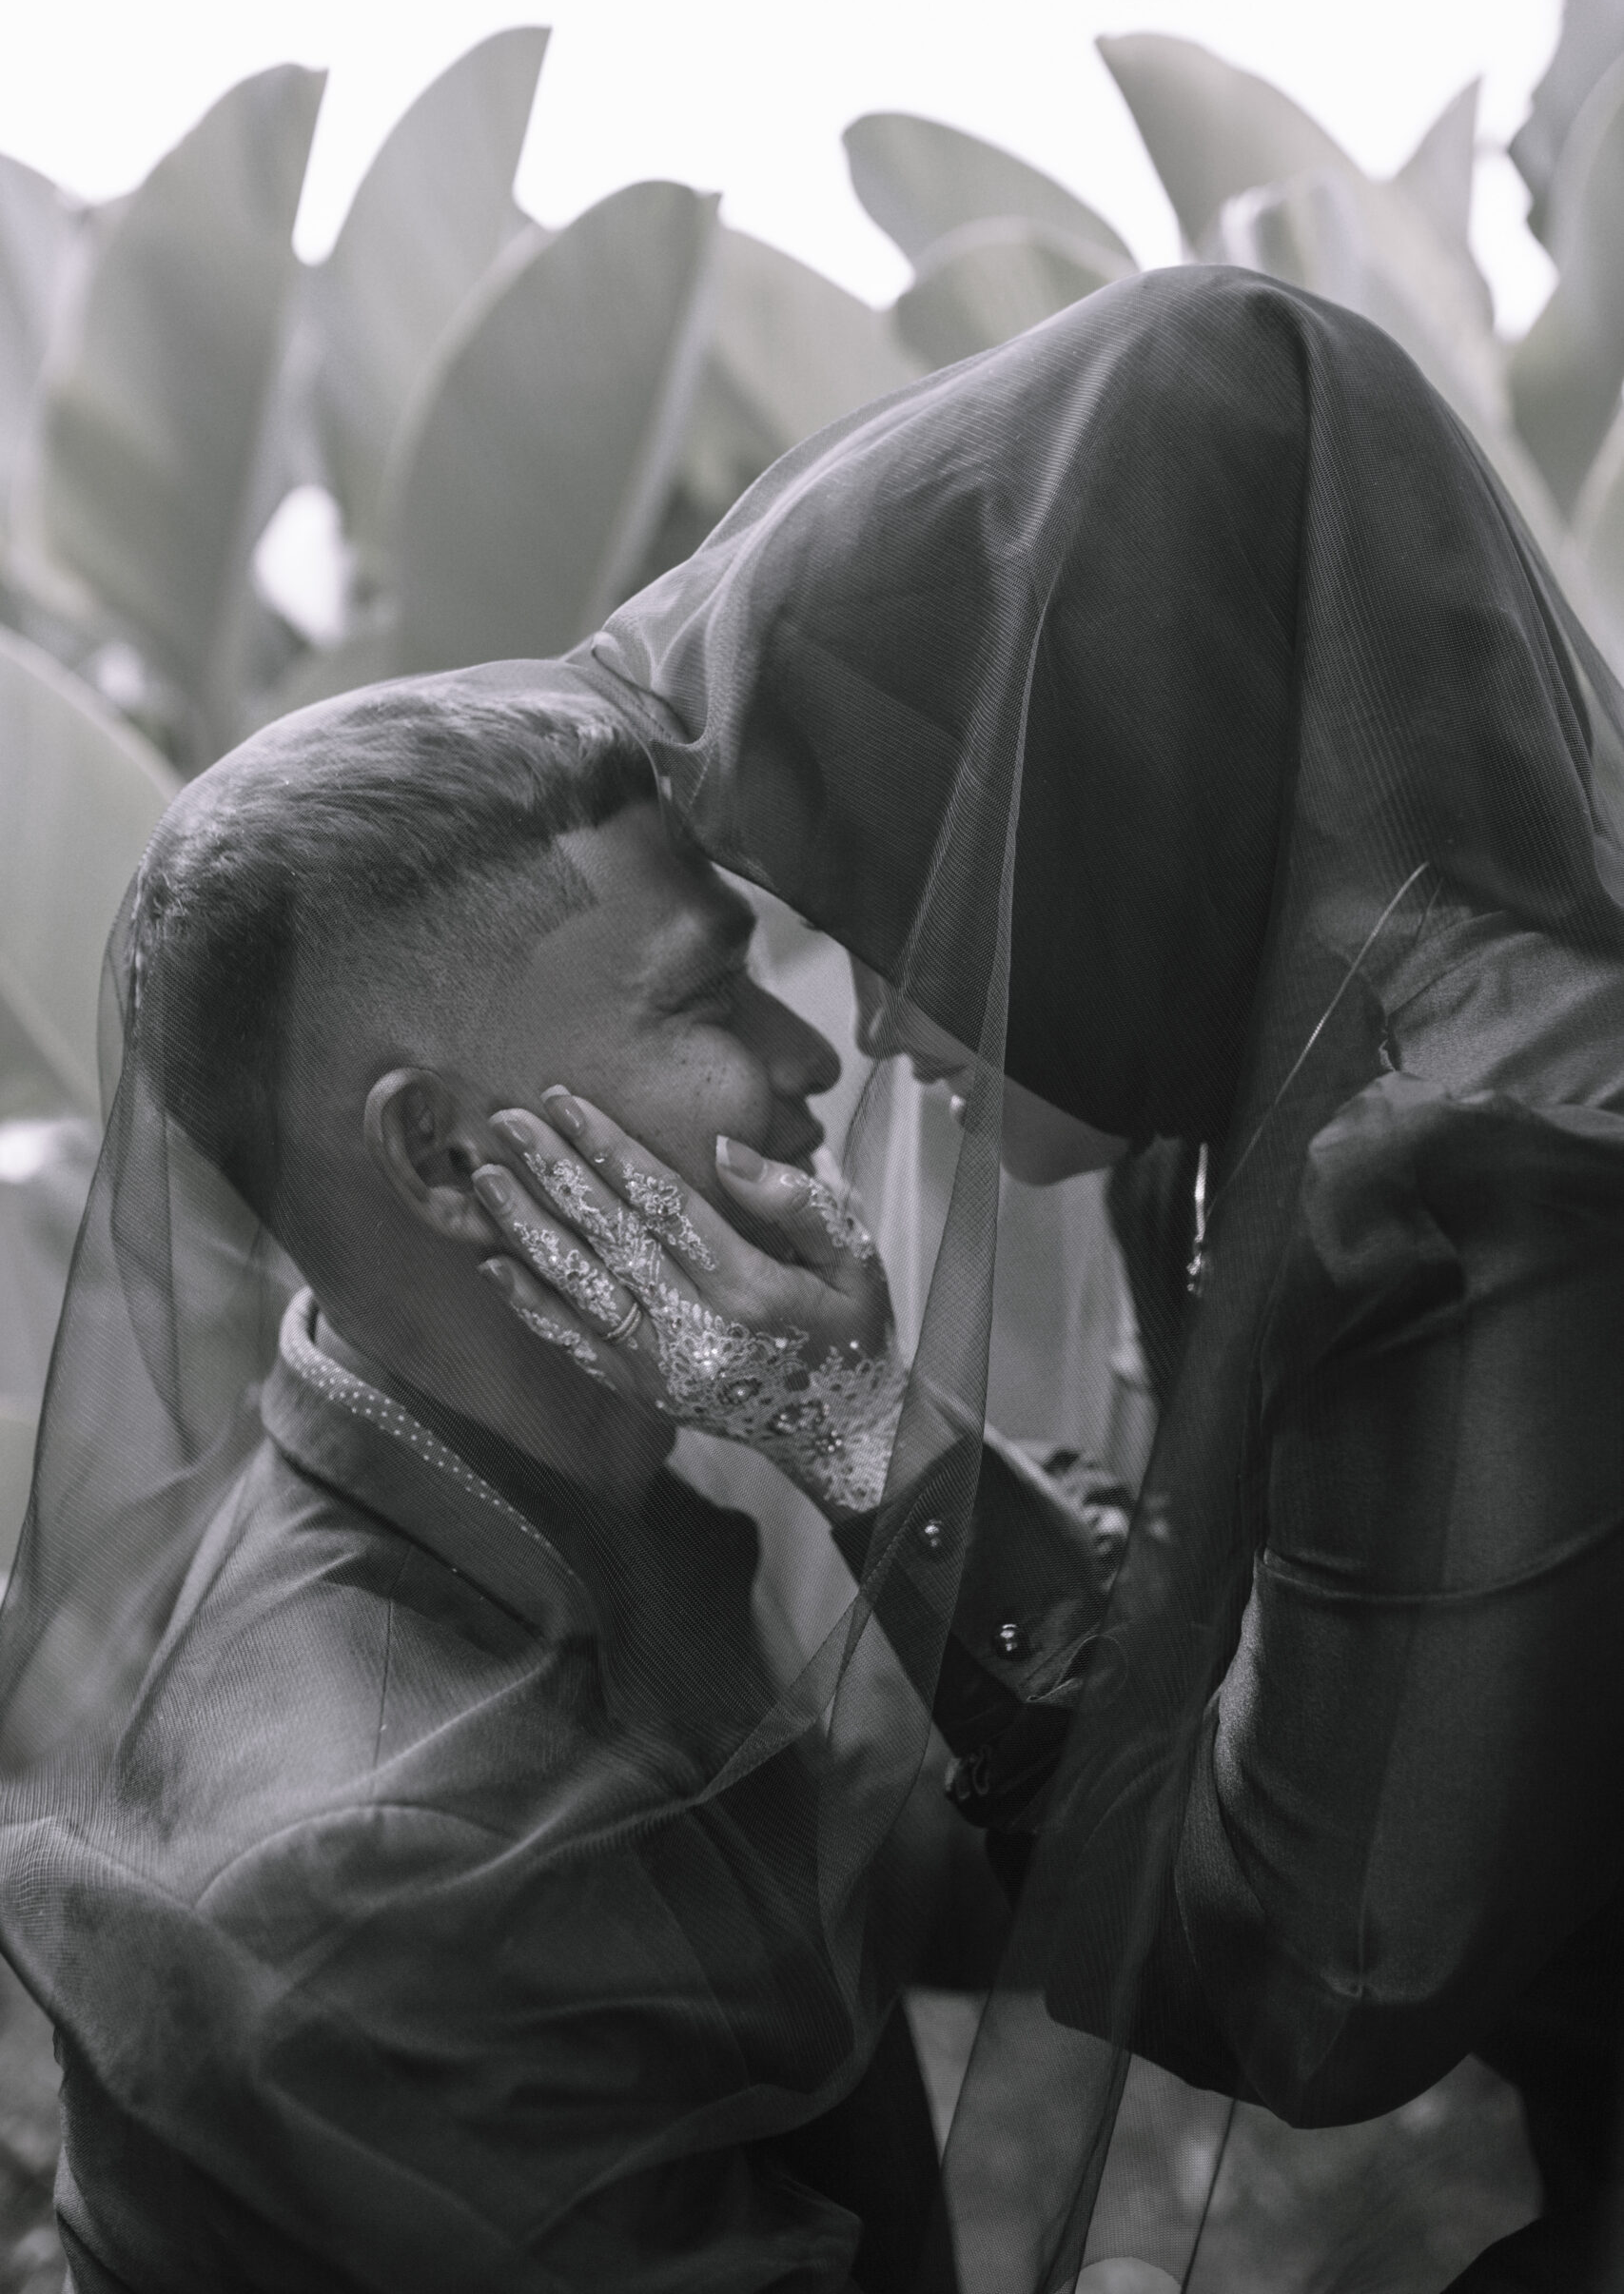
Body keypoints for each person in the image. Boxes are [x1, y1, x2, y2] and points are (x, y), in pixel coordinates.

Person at [462, 265, 1624, 2287]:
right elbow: (1237, 1677)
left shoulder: (1483, 1170)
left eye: (914, 906)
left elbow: (1321, 1970)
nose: (878, 1025)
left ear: (1116, 794)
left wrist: (862, 1433)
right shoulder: (1232, 1096)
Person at [0, 678, 1089, 2294]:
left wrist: (873, 1438)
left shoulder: (530, 1476)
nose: (811, 1052)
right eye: (708, 1000)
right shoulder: (379, 1870)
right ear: (445, 1160)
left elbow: (880, 1888)